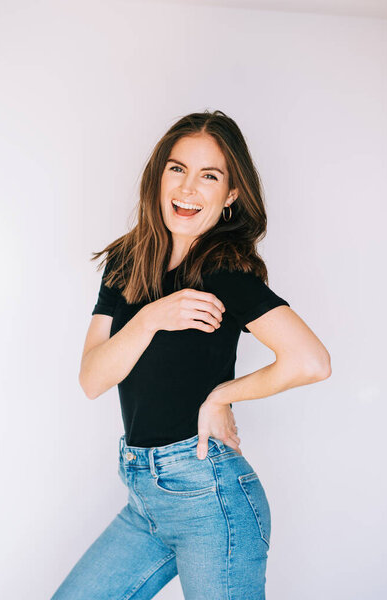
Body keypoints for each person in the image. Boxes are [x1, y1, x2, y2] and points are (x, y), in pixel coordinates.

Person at [51, 110, 331, 599]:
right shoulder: (127, 262)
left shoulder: (225, 273)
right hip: (144, 499)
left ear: (231, 196)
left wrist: (221, 394)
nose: (188, 188)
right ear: (159, 176)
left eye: (210, 176)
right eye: (177, 168)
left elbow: (310, 360)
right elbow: (92, 379)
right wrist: (151, 316)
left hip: (211, 498)